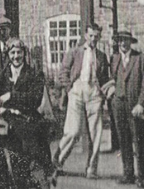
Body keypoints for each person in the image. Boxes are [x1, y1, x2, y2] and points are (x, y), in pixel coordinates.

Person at [53, 25, 113, 178]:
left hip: (94, 94)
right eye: (91, 35)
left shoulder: (101, 56)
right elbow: (63, 72)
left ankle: (91, 169)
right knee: (72, 131)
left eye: (96, 36)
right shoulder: (74, 52)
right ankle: (57, 162)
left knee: (96, 134)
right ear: (86, 35)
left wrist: (103, 93)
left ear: (99, 37)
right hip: (77, 91)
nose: (93, 39)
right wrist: (69, 89)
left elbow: (105, 78)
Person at [0, 40, 50, 171]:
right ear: (8, 55)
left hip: (25, 118)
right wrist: (0, 107)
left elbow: (34, 99)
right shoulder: (1, 75)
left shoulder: (34, 74)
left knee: (31, 153)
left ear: (24, 53)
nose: (16, 56)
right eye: (12, 53)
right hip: (4, 117)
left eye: (19, 52)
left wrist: (11, 96)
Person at [108, 30, 144, 186]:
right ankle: (128, 174)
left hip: (135, 106)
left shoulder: (140, 58)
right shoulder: (114, 59)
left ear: (130, 42)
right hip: (118, 104)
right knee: (124, 140)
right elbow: (112, 79)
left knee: (139, 141)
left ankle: (142, 176)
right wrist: (112, 95)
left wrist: (141, 103)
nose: (123, 43)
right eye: (120, 40)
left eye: (125, 40)